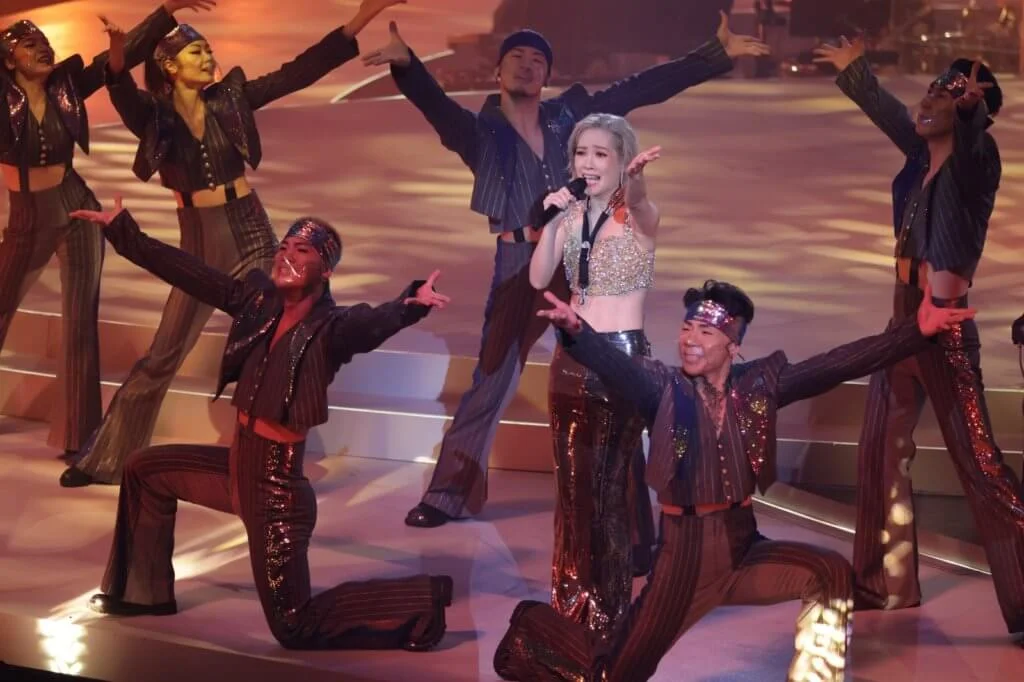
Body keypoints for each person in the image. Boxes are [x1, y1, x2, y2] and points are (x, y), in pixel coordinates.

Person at [360, 12, 769, 531]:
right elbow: (436, 106)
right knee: (492, 378)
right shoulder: (478, 133)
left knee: (614, 380)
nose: (527, 65)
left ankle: (630, 519)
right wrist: (407, 66)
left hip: (582, 256)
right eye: (516, 57)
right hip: (520, 262)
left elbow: (637, 89)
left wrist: (714, 54)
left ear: (547, 75)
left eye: (538, 60)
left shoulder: (572, 118)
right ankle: (448, 495)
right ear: (498, 70)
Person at [493, 279, 976, 682]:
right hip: (683, 565)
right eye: (686, 328)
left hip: (744, 551)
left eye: (705, 331)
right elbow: (616, 366)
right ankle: (532, 630)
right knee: (611, 676)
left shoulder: (758, 386)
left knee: (830, 573)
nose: (690, 339)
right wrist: (578, 331)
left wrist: (915, 331)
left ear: (733, 344)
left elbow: (835, 364)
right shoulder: (663, 387)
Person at [73, 196, 453, 651]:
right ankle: (144, 595)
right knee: (145, 470)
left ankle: (422, 598)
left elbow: (371, 323)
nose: (287, 255)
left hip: (276, 493)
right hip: (237, 469)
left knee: (294, 626)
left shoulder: (332, 329)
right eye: (284, 246)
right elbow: (191, 273)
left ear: (325, 272)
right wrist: (124, 232)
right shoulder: (256, 302)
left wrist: (410, 305)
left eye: (303, 251)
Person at [61, 0, 408, 488]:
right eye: (196, 52)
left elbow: (296, 74)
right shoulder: (154, 116)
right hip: (198, 238)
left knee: (282, 334)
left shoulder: (232, 99)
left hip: (250, 230)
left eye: (208, 50)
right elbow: (119, 88)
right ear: (169, 66)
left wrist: (360, 19)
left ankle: (271, 453)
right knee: (163, 354)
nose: (208, 57)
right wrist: (118, 53)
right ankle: (106, 458)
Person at [813, 38, 1024, 637]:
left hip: (946, 327)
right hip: (903, 319)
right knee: (880, 450)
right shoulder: (918, 155)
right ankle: (886, 584)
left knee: (980, 466)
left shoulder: (977, 161)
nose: (930, 99)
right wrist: (855, 72)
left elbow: (972, 140)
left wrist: (969, 110)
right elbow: (893, 113)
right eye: (933, 88)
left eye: (948, 95)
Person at [0, 1, 209, 460]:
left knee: (79, 322)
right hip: (27, 218)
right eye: (30, 45)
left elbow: (120, 56)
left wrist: (165, 11)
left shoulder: (66, 85)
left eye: (45, 43)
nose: (42, 50)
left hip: (77, 210)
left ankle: (77, 437)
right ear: (9, 60)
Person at [529, 113, 660, 634]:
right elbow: (539, 278)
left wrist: (637, 180)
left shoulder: (639, 217)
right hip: (571, 358)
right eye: (582, 153)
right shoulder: (570, 216)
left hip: (621, 359)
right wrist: (550, 220)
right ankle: (570, 603)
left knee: (609, 488)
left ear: (622, 162)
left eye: (601, 154)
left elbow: (642, 203)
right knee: (571, 485)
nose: (588, 163)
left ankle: (607, 609)